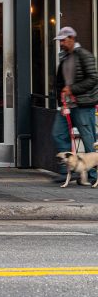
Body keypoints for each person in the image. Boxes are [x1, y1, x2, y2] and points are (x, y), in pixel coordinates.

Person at [51, 26, 98, 182]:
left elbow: (93, 78)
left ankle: (93, 175)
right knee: (58, 134)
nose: (61, 44)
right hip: (67, 106)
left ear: (72, 38)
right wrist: (61, 99)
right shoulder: (64, 58)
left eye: (63, 40)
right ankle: (68, 170)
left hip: (83, 105)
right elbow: (60, 82)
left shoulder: (84, 55)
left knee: (89, 140)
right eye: (60, 41)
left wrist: (72, 89)